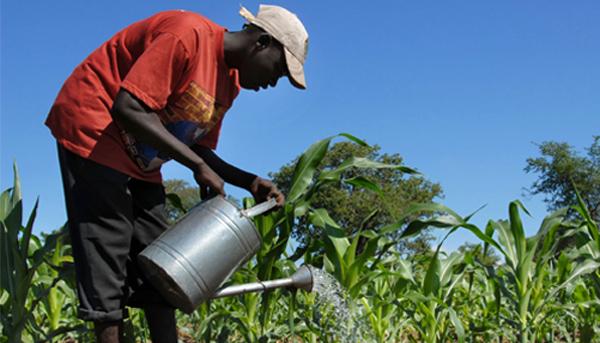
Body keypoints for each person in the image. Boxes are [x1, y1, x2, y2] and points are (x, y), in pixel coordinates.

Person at [45, 4, 308, 343]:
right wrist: (196, 167)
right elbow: (127, 107)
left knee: (164, 262)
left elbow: (196, 147)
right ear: (262, 42)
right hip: (96, 129)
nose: (275, 81)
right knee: (108, 250)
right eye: (280, 69)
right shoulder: (186, 34)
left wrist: (247, 181)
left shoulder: (228, 85)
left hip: (142, 157)